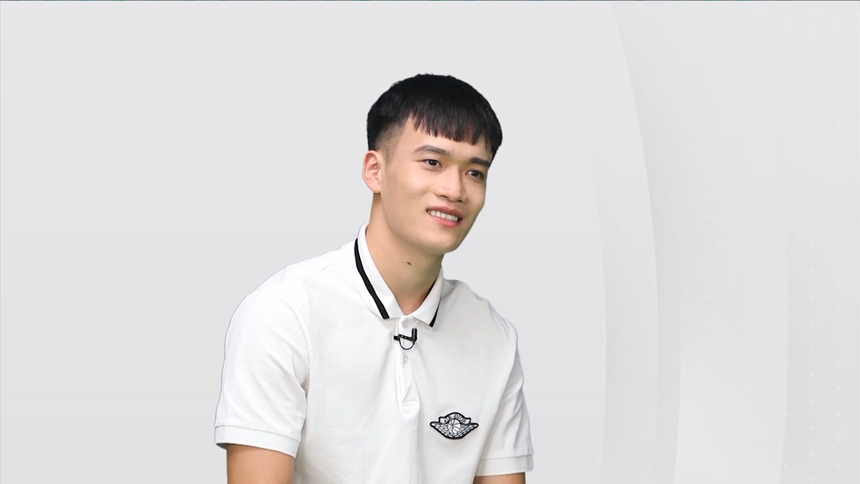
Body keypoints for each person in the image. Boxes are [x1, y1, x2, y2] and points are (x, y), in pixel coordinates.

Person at [214, 73, 533, 484]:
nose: (454, 189)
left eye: (475, 172)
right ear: (374, 171)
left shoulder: (493, 337)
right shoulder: (284, 314)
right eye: (433, 162)